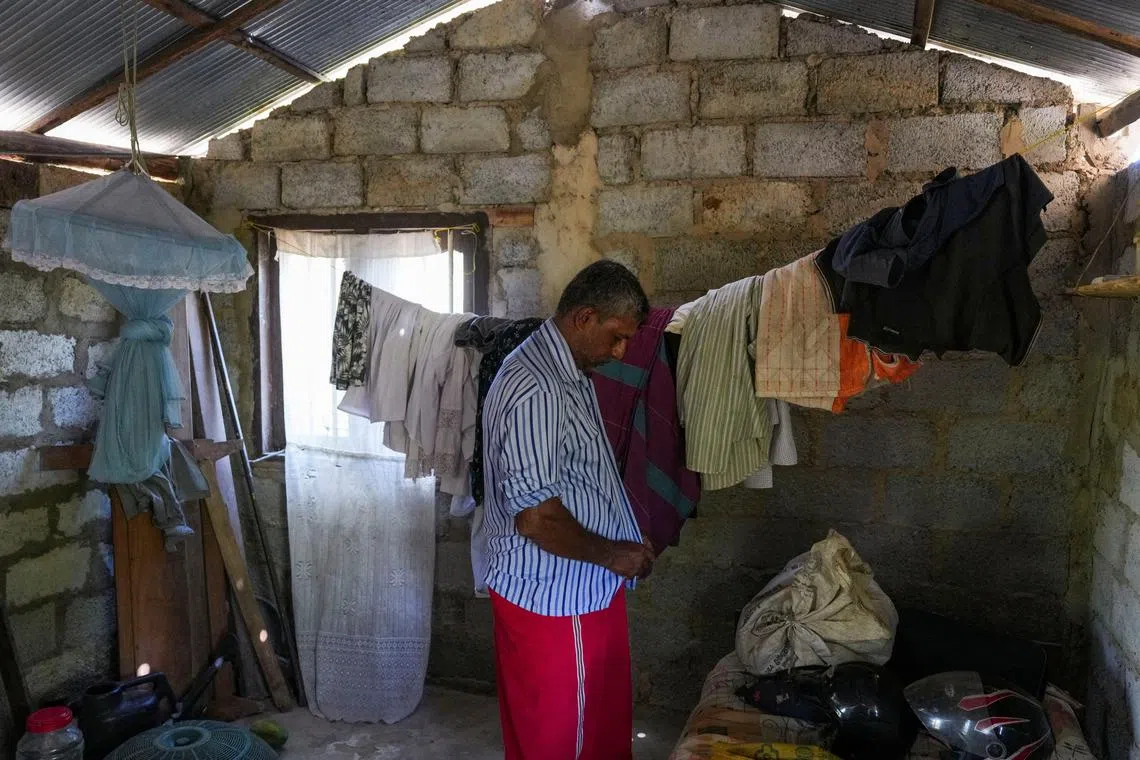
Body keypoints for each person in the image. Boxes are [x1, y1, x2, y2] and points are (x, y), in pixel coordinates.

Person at [482, 260, 654, 760]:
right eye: (616, 337)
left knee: (584, 733)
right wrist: (613, 555)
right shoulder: (537, 387)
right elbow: (537, 517)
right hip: (558, 597)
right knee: (565, 743)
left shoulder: (566, 371)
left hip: (579, 589)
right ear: (584, 317)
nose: (621, 352)